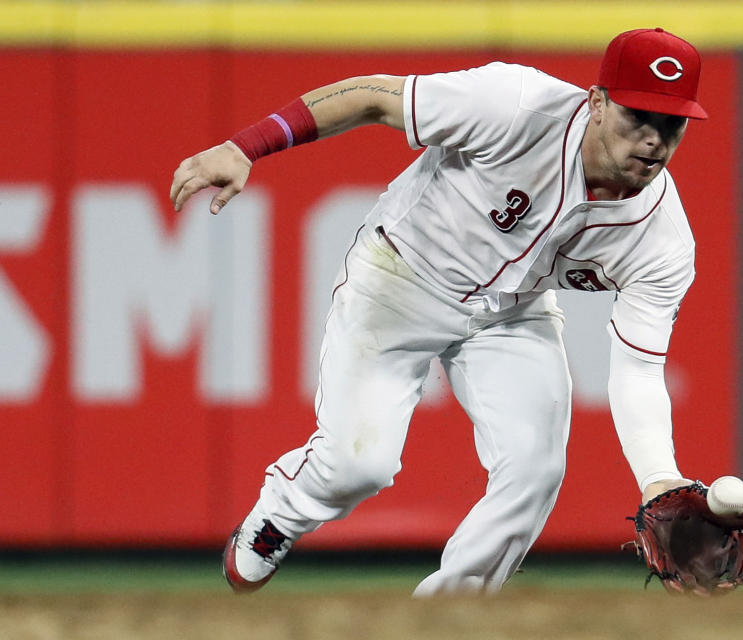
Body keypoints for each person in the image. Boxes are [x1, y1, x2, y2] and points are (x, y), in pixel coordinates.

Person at [170, 27, 706, 596]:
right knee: (359, 466)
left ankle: (447, 617)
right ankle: (284, 510)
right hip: (403, 277)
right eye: (638, 117)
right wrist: (245, 146)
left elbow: (638, 372)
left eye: (671, 123)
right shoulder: (516, 105)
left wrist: (657, 479)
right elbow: (373, 96)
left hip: (512, 312)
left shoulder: (663, 242)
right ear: (596, 103)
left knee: (534, 470)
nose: (654, 139)